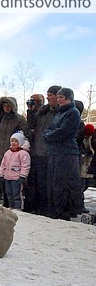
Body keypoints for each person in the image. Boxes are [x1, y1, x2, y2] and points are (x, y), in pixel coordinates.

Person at [43, 87, 81, 220]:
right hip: (55, 152)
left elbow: (63, 131)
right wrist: (49, 135)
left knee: (63, 184)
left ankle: (64, 212)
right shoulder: (58, 114)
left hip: (67, 153)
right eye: (57, 97)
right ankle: (54, 210)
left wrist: (49, 136)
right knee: (53, 183)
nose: (58, 100)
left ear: (69, 98)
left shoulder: (73, 112)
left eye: (61, 97)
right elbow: (49, 130)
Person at [24, 86, 61, 215]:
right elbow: (30, 128)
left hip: (48, 153)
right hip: (36, 151)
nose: (48, 97)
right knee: (33, 182)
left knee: (45, 183)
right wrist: (31, 111)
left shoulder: (59, 113)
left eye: (50, 95)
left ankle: (45, 209)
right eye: (48, 95)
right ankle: (34, 206)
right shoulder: (42, 112)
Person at [0, 97, 28, 205]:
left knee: (13, 178)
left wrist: (19, 147)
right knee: (0, 176)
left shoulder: (19, 119)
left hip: (14, 152)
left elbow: (25, 133)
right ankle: (1, 198)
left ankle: (13, 202)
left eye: (8, 105)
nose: (6, 108)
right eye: (4, 105)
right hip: (0, 151)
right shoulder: (0, 118)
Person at [0, 132, 31, 210]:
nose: (13, 143)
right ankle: (11, 206)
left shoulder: (23, 154)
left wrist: (23, 176)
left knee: (16, 194)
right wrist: (1, 174)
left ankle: (18, 208)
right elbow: (3, 164)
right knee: (8, 193)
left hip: (17, 178)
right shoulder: (7, 153)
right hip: (7, 177)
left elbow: (25, 166)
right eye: (12, 141)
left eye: (16, 141)